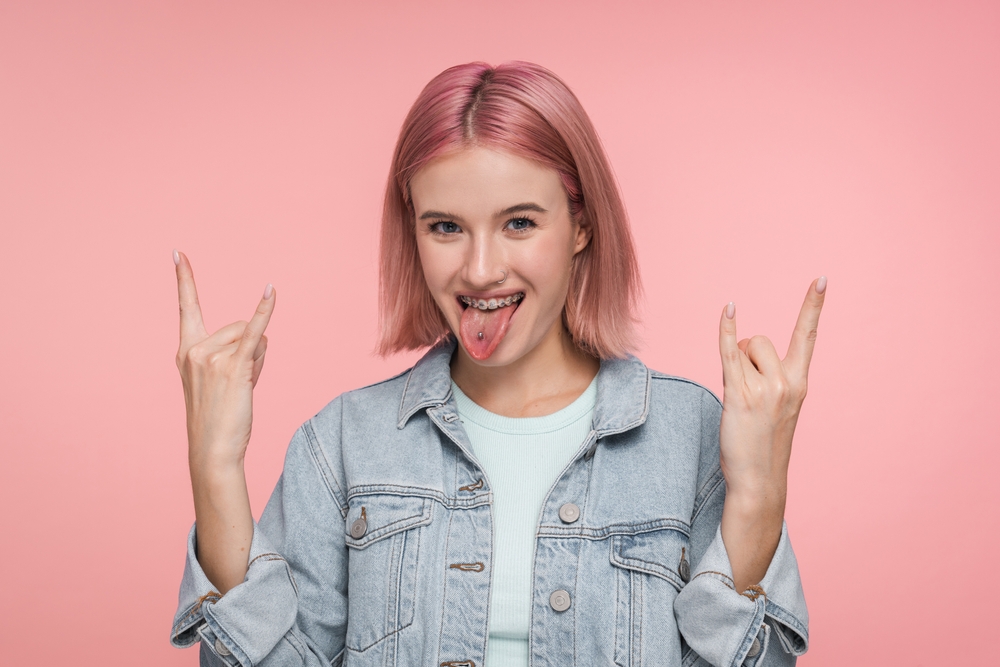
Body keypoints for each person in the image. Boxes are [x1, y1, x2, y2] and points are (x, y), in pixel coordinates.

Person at [169, 61, 824, 667]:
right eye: (446, 227)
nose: (479, 270)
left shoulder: (691, 436)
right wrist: (215, 468)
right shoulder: (340, 444)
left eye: (518, 222)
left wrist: (759, 497)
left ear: (581, 226)